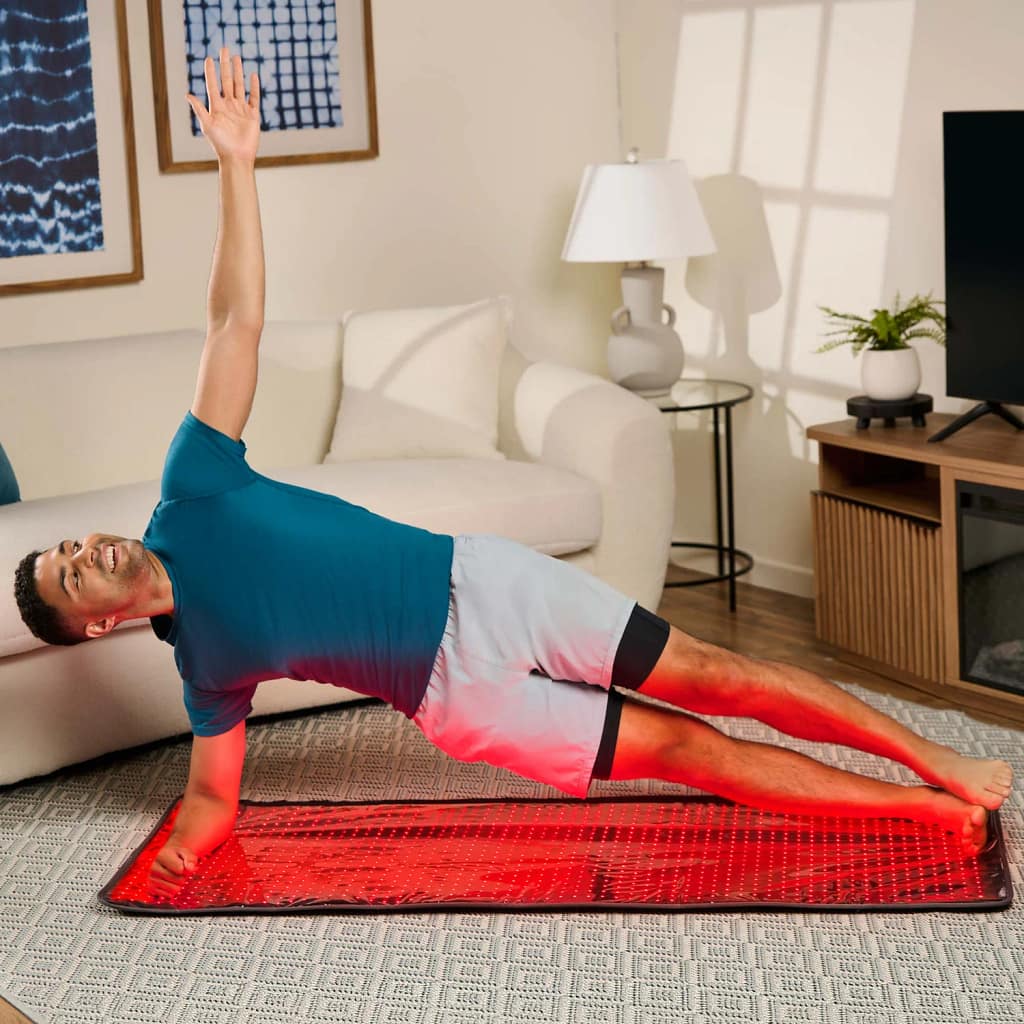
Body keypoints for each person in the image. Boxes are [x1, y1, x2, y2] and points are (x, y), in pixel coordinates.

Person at [13, 50, 1013, 900]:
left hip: (486, 583)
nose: (84, 550)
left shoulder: (192, 485)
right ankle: (916, 807)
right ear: (101, 622)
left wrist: (237, 166)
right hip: (461, 700)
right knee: (687, 752)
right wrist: (187, 847)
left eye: (66, 546)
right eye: (71, 573)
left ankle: (934, 757)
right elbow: (212, 797)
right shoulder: (208, 667)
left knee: (724, 675)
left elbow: (235, 324)